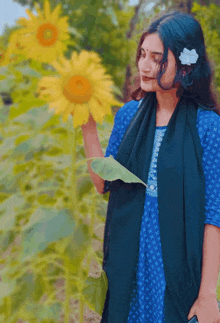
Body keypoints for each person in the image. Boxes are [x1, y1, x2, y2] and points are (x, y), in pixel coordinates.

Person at [81, 10, 220, 323]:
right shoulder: (128, 116)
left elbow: (213, 214)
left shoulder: (207, 127)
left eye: (158, 58)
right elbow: (105, 183)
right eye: (142, 54)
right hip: (129, 250)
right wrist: (88, 129)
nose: (144, 65)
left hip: (175, 256)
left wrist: (207, 293)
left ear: (185, 67)